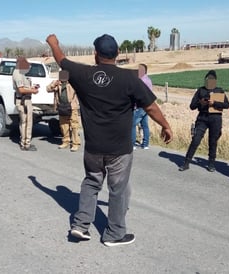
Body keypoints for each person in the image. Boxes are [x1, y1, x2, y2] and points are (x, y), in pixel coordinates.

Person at [46, 33, 173, 247]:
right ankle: (114, 234)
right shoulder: (130, 79)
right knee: (118, 189)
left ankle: (80, 225)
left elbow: (61, 59)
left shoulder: (82, 74)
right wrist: (166, 125)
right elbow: (150, 106)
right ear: (117, 54)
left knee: (91, 182)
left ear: (95, 54)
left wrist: (53, 43)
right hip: (119, 150)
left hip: (93, 148)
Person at [179, 70, 229, 172]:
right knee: (195, 140)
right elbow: (192, 106)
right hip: (202, 118)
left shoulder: (220, 91)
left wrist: (214, 103)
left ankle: (211, 163)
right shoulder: (200, 91)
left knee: (213, 141)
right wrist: (200, 102)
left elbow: (227, 105)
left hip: (215, 118)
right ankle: (186, 162)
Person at [46, 70, 81, 152]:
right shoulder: (57, 83)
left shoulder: (72, 83)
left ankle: (75, 143)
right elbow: (48, 89)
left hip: (72, 107)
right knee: (63, 125)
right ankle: (66, 141)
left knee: (74, 125)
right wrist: (54, 84)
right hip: (61, 106)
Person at [12, 56, 39, 151]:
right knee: (26, 123)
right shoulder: (18, 73)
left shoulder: (21, 73)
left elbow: (24, 87)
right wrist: (33, 91)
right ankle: (25, 144)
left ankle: (24, 142)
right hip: (23, 101)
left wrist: (32, 87)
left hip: (24, 100)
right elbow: (21, 89)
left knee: (24, 122)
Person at [132, 64, 152, 150]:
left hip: (140, 106)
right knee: (145, 125)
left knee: (132, 125)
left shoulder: (141, 81)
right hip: (147, 106)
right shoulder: (148, 80)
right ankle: (145, 144)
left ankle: (132, 144)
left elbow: (137, 95)